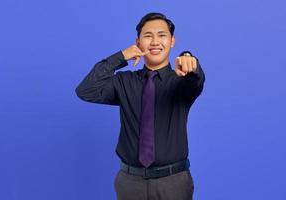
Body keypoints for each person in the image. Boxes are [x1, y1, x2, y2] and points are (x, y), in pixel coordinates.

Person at [75, 12, 205, 200]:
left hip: (173, 183)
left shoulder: (180, 81)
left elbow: (195, 80)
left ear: (172, 41)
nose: (155, 41)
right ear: (138, 42)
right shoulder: (124, 82)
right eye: (147, 36)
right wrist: (121, 57)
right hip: (130, 182)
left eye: (162, 35)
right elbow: (86, 90)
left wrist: (190, 61)